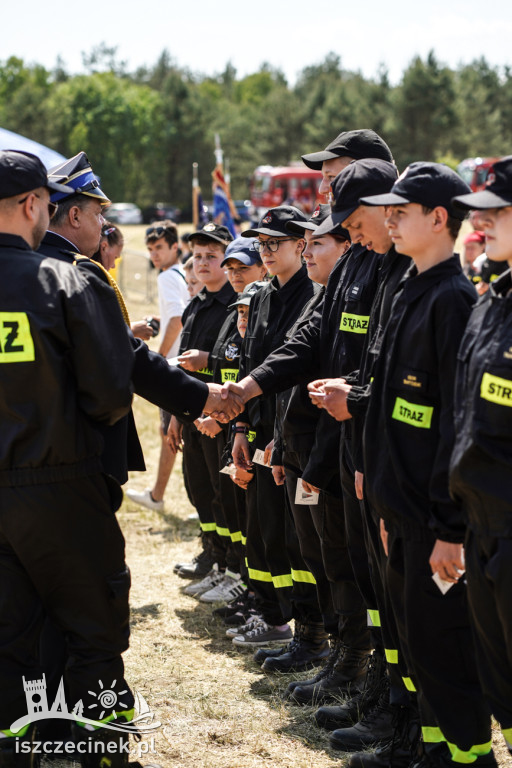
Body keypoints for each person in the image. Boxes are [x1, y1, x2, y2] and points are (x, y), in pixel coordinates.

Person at [0, 149, 136, 764]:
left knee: (11, 635)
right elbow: (108, 396)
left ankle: (23, 746)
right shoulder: (67, 280)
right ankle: (102, 750)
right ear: (33, 204)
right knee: (92, 629)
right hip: (61, 485)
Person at [359, 163, 495, 768]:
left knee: (448, 655)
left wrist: (447, 528)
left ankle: (469, 760)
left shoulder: (454, 301)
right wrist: (388, 503)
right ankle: (435, 756)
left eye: (402, 211)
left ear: (440, 218)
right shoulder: (411, 288)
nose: (390, 218)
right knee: (422, 649)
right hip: (404, 512)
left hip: (434, 522)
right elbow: (392, 411)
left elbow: (453, 426)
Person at [228, 205, 319, 649]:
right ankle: (273, 615)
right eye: (261, 244)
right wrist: (241, 429)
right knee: (266, 530)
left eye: (274, 243)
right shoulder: (261, 294)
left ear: (301, 244)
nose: (265, 251)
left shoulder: (313, 297)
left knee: (297, 536)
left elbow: (294, 372)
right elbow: (250, 363)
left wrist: (282, 440)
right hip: (261, 432)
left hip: (294, 434)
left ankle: (307, 627)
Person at [449, 156, 512, 760]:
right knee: (503, 690)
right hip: (481, 528)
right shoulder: (489, 302)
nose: (481, 224)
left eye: (496, 213)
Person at [126, 220, 189, 512]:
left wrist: (161, 357)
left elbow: (178, 320)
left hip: (177, 363)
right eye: (150, 249)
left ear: (175, 246)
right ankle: (160, 494)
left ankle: (157, 496)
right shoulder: (179, 273)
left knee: (170, 434)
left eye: (160, 248)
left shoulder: (167, 278)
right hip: (187, 360)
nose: (154, 254)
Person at [93, 221, 155, 341]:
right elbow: (98, 333)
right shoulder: (95, 280)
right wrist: (130, 331)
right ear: (104, 247)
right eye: (116, 257)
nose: (113, 266)